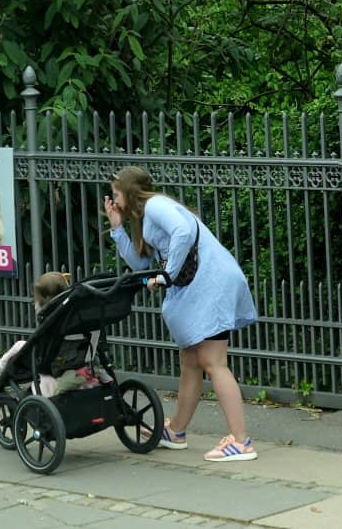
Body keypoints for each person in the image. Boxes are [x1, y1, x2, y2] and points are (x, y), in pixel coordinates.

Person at [104, 166, 259, 462]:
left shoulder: (156, 205)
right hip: (199, 290)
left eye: (116, 193)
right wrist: (117, 227)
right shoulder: (143, 217)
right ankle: (175, 431)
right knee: (190, 362)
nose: (112, 198)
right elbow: (141, 264)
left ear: (129, 192)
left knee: (213, 363)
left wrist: (167, 276)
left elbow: (184, 232)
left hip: (211, 286)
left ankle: (241, 441)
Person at [0, 271, 71, 396]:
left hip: (48, 359)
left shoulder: (51, 320)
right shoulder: (71, 317)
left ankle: (2, 365)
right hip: (71, 358)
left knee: (20, 345)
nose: (34, 306)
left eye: (35, 301)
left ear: (46, 301)